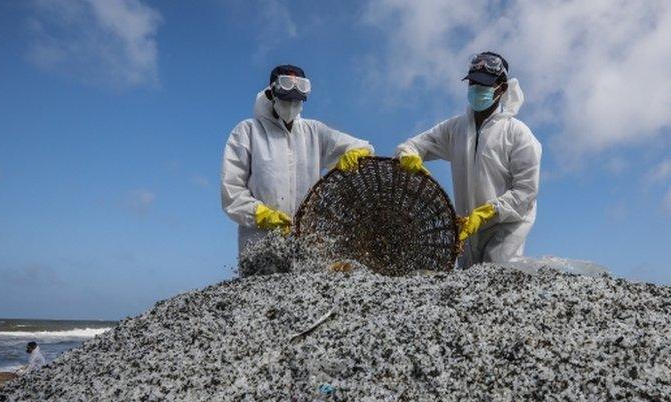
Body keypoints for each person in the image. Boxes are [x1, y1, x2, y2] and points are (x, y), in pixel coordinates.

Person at [395, 52, 542, 268]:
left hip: (505, 228)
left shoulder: (519, 134)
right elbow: (411, 146)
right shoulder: (455, 129)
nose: (476, 89)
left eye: (484, 85)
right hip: (465, 229)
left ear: (501, 88)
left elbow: (526, 192)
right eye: (473, 83)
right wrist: (409, 156)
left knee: (497, 280)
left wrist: (488, 212)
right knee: (468, 289)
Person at [221, 64, 374, 258]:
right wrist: (259, 214)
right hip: (259, 242)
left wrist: (356, 153)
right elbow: (231, 190)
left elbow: (363, 148)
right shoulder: (248, 131)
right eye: (286, 100)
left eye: (297, 101)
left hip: (306, 241)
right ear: (271, 95)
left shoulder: (315, 132)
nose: (292, 106)